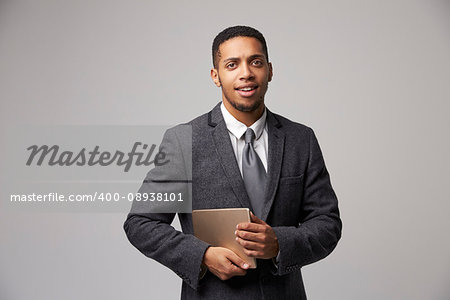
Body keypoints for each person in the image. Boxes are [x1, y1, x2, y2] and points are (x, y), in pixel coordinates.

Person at [124, 25, 342, 299]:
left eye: (255, 62)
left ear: (270, 70)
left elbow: (327, 223)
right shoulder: (184, 140)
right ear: (216, 76)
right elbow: (141, 222)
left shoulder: (301, 139)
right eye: (232, 64)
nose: (246, 73)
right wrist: (201, 256)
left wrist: (279, 244)